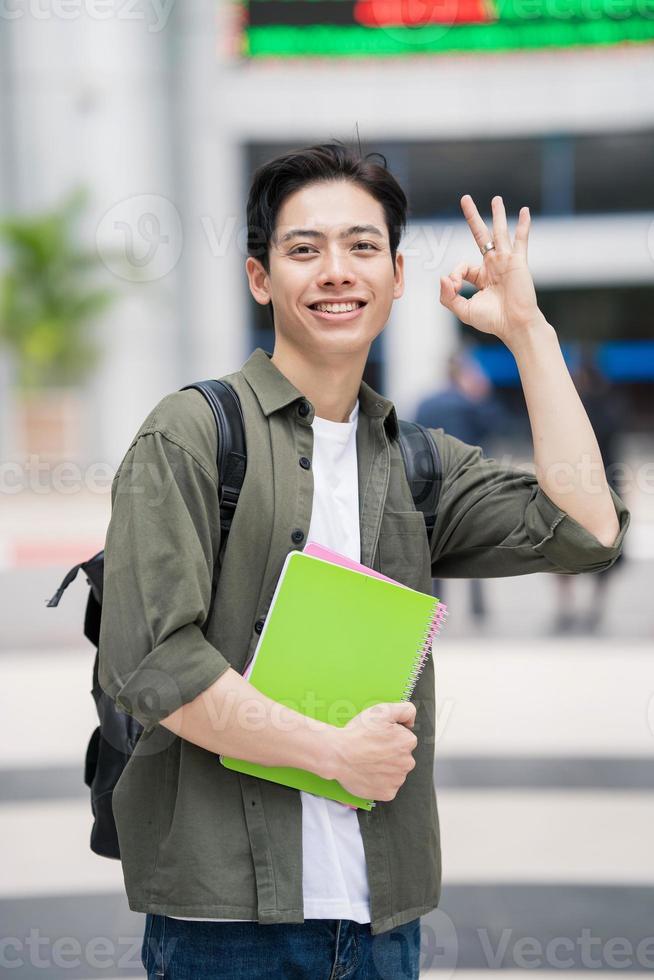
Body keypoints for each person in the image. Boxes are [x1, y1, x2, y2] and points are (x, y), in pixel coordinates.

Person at [97, 141, 629, 979]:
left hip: (383, 922)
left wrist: (529, 333)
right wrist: (331, 754)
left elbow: (587, 528)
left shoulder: (418, 461)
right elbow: (155, 659)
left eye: (363, 246)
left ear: (397, 275)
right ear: (259, 278)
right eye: (304, 249)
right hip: (226, 927)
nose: (336, 270)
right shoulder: (194, 435)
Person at [415, 351, 510, 622]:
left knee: (435, 547)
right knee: (474, 545)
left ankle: (435, 609)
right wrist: (481, 394)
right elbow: (498, 425)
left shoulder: (427, 403)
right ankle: (478, 608)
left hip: (432, 485)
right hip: (469, 485)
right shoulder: (471, 403)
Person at [551, 356, 629, 634]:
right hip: (601, 484)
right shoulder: (611, 406)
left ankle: (574, 609)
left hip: (582, 483)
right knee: (594, 547)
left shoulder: (583, 408)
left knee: (563, 545)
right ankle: (583, 609)